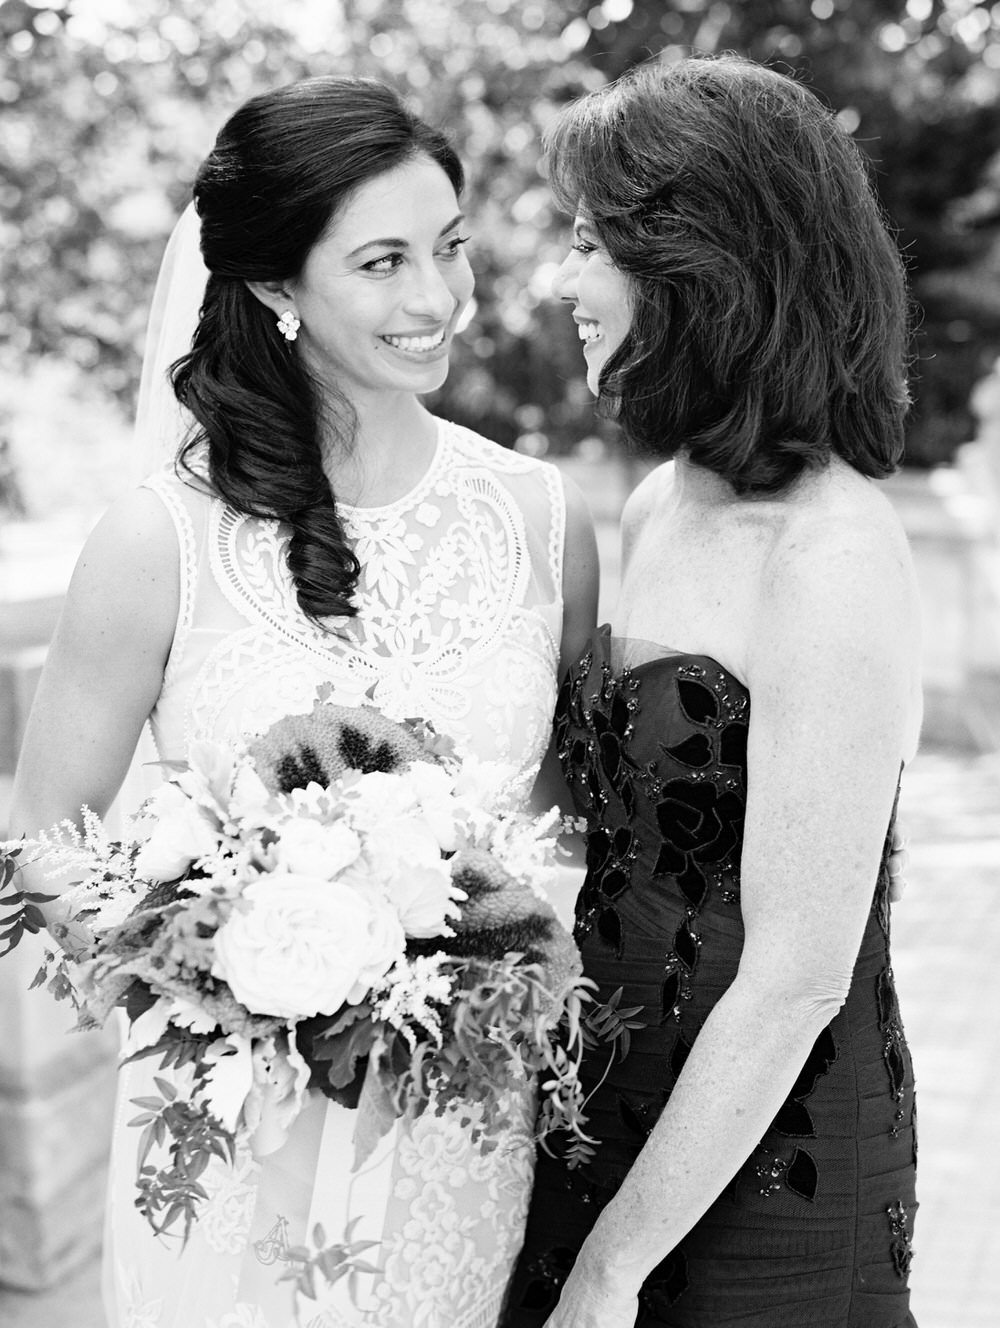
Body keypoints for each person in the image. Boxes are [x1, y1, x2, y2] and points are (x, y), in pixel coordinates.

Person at [8, 77, 599, 1327]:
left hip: (459, 1141)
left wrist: (472, 976)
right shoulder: (158, 539)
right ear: (277, 284)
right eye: (383, 262)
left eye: (449, 246)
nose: (437, 297)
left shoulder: (543, 519)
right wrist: (213, 963)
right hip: (225, 1146)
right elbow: (45, 836)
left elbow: (564, 841)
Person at [502, 53, 922, 1328]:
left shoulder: (833, 555)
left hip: (775, 1150)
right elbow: (622, 822)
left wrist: (609, 1270)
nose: (563, 281)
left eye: (592, 245)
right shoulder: (657, 502)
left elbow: (797, 974)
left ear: (700, 265)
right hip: (603, 1101)